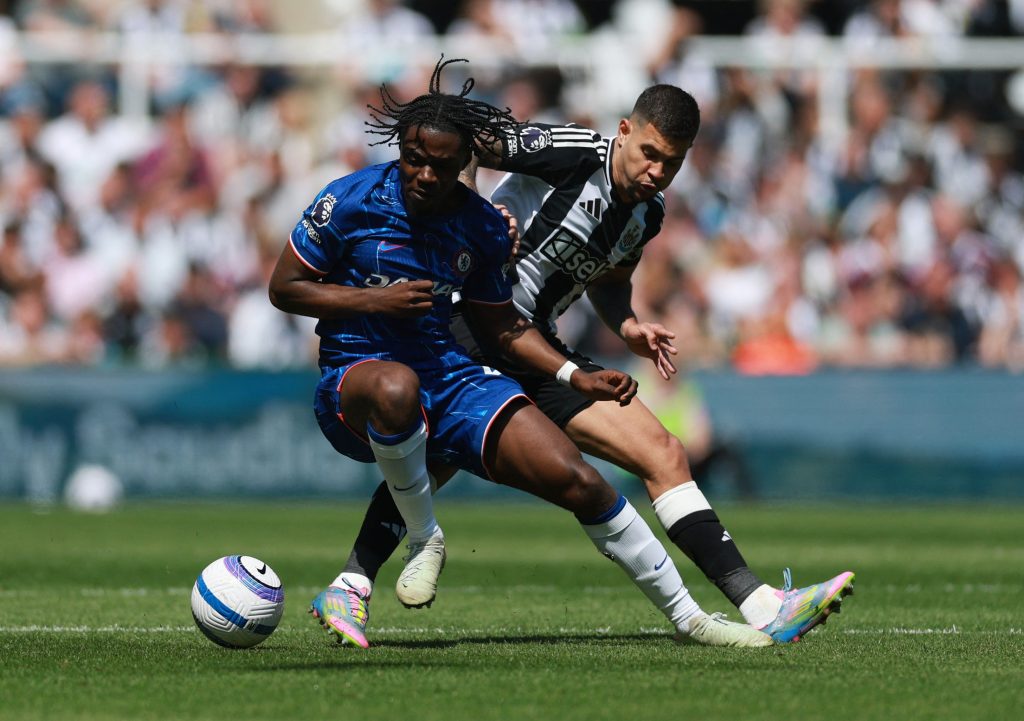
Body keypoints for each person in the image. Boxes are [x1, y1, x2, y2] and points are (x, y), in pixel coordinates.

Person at [328, 78, 855, 646]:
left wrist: (627, 324)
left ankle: (763, 605)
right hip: (474, 323)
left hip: (536, 342)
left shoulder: (646, 214)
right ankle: (352, 582)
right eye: (648, 152)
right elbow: (473, 141)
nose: (655, 170)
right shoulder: (575, 150)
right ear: (624, 132)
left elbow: (610, 280)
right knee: (433, 460)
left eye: (670, 164)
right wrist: (475, 218)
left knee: (662, 452)